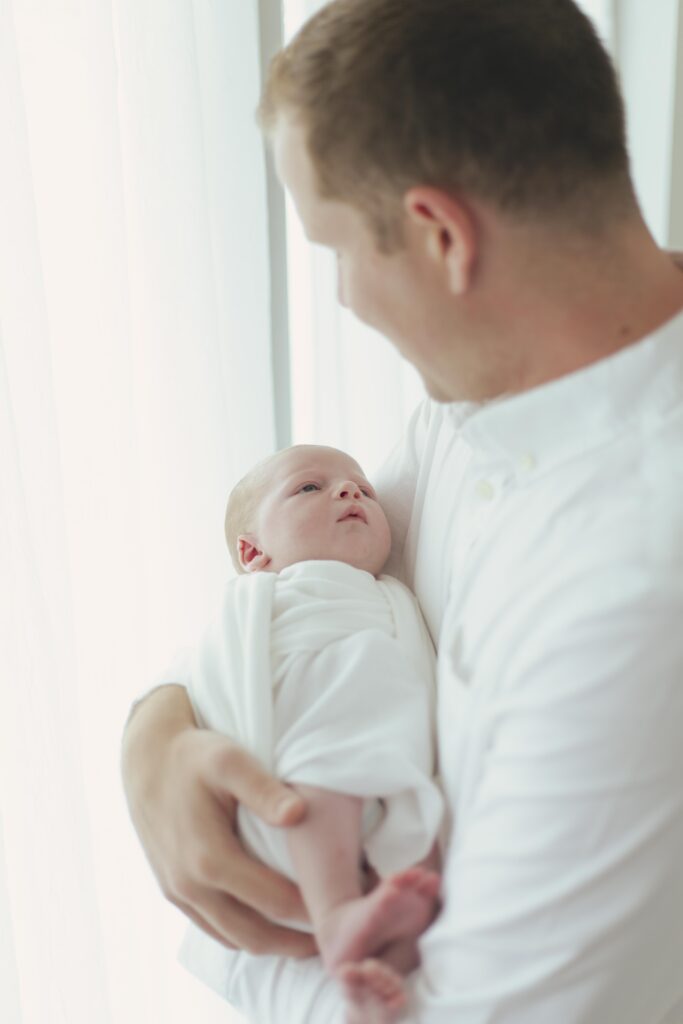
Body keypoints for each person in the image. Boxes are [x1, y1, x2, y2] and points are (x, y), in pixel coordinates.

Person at [122, 1, 683, 1021]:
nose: (341, 296)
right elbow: (306, 588)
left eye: (333, 246)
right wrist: (151, 738)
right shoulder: (490, 399)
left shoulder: (633, 592)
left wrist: (224, 938)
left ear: (437, 233)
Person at [170, 443, 443, 1017]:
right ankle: (338, 913)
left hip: (379, 757)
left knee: (425, 870)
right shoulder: (265, 600)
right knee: (326, 760)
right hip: (304, 768)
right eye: (309, 488)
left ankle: (377, 969)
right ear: (254, 553)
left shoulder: (393, 595)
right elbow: (219, 674)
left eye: (363, 488)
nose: (350, 491)